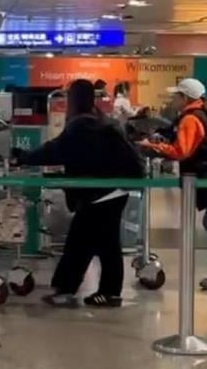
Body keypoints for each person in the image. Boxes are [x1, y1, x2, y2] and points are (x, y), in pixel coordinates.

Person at [15, 79, 144, 307]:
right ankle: (106, 292)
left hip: (98, 194)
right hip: (116, 190)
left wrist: (24, 157)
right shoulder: (102, 122)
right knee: (105, 243)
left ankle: (69, 290)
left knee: (81, 242)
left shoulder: (80, 125)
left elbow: (56, 150)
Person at [141, 78, 207, 290]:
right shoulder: (198, 114)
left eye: (176, 96)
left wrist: (154, 147)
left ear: (185, 98)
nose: (173, 99)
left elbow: (182, 151)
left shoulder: (191, 118)